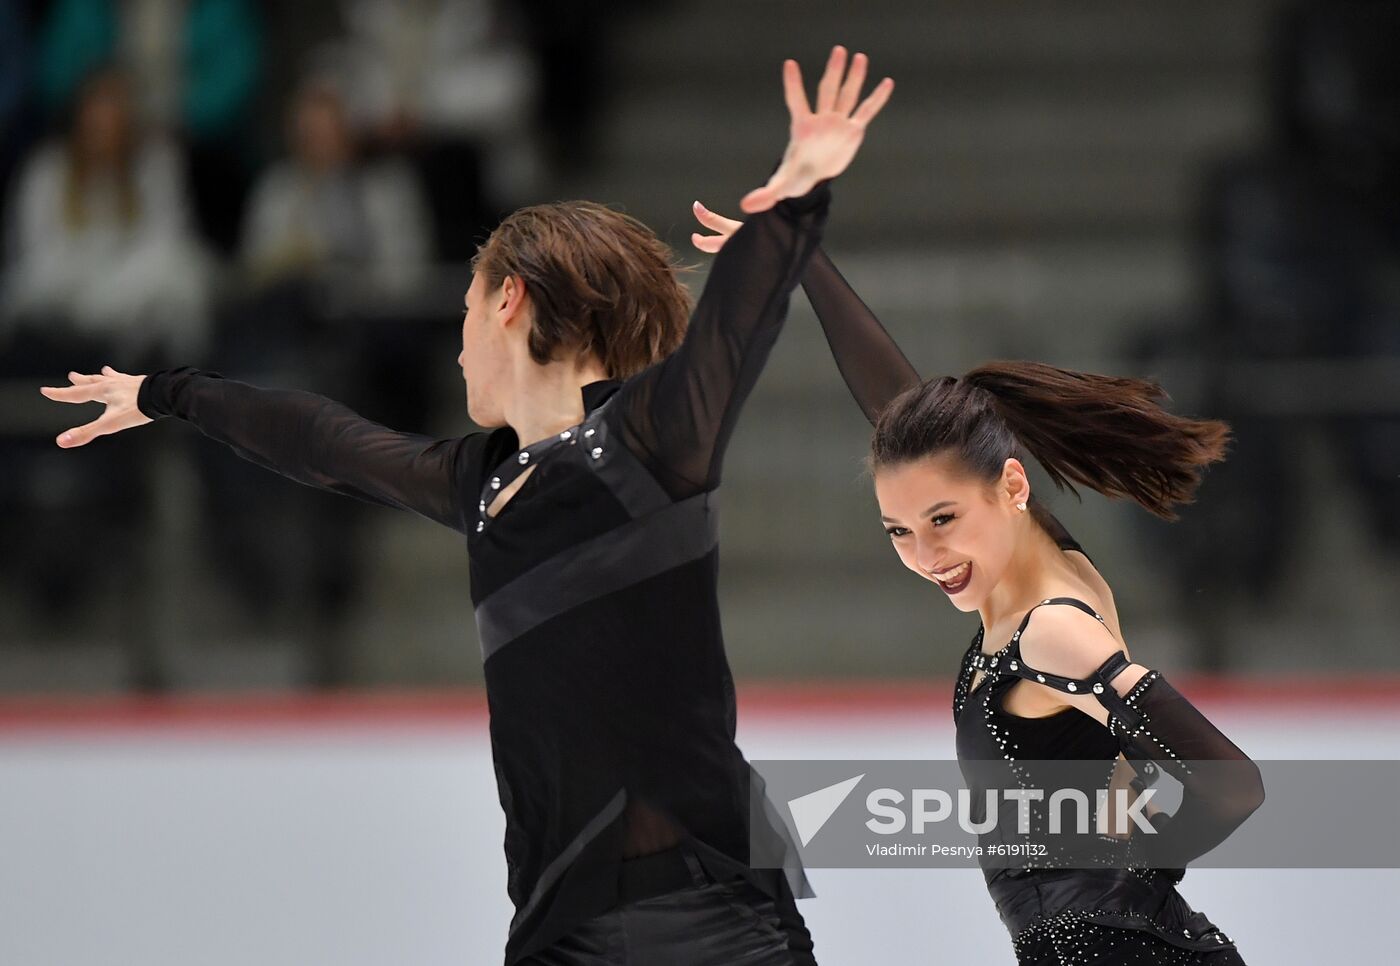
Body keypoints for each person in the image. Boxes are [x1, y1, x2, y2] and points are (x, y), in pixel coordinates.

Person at [40, 48, 894, 966]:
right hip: (554, 927)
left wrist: (795, 192)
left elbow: (736, 328)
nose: (454, 352)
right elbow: (325, 442)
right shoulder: (481, 484)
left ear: (509, 301)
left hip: (705, 919)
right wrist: (165, 393)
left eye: (463, 310)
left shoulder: (646, 446)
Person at [692, 207, 1265, 964]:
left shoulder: (1054, 631)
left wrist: (1125, 889)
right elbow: (900, 414)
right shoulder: (1036, 554)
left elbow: (1231, 784)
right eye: (899, 530)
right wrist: (806, 265)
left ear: (1011, 486)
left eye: (942, 519)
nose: (927, 553)